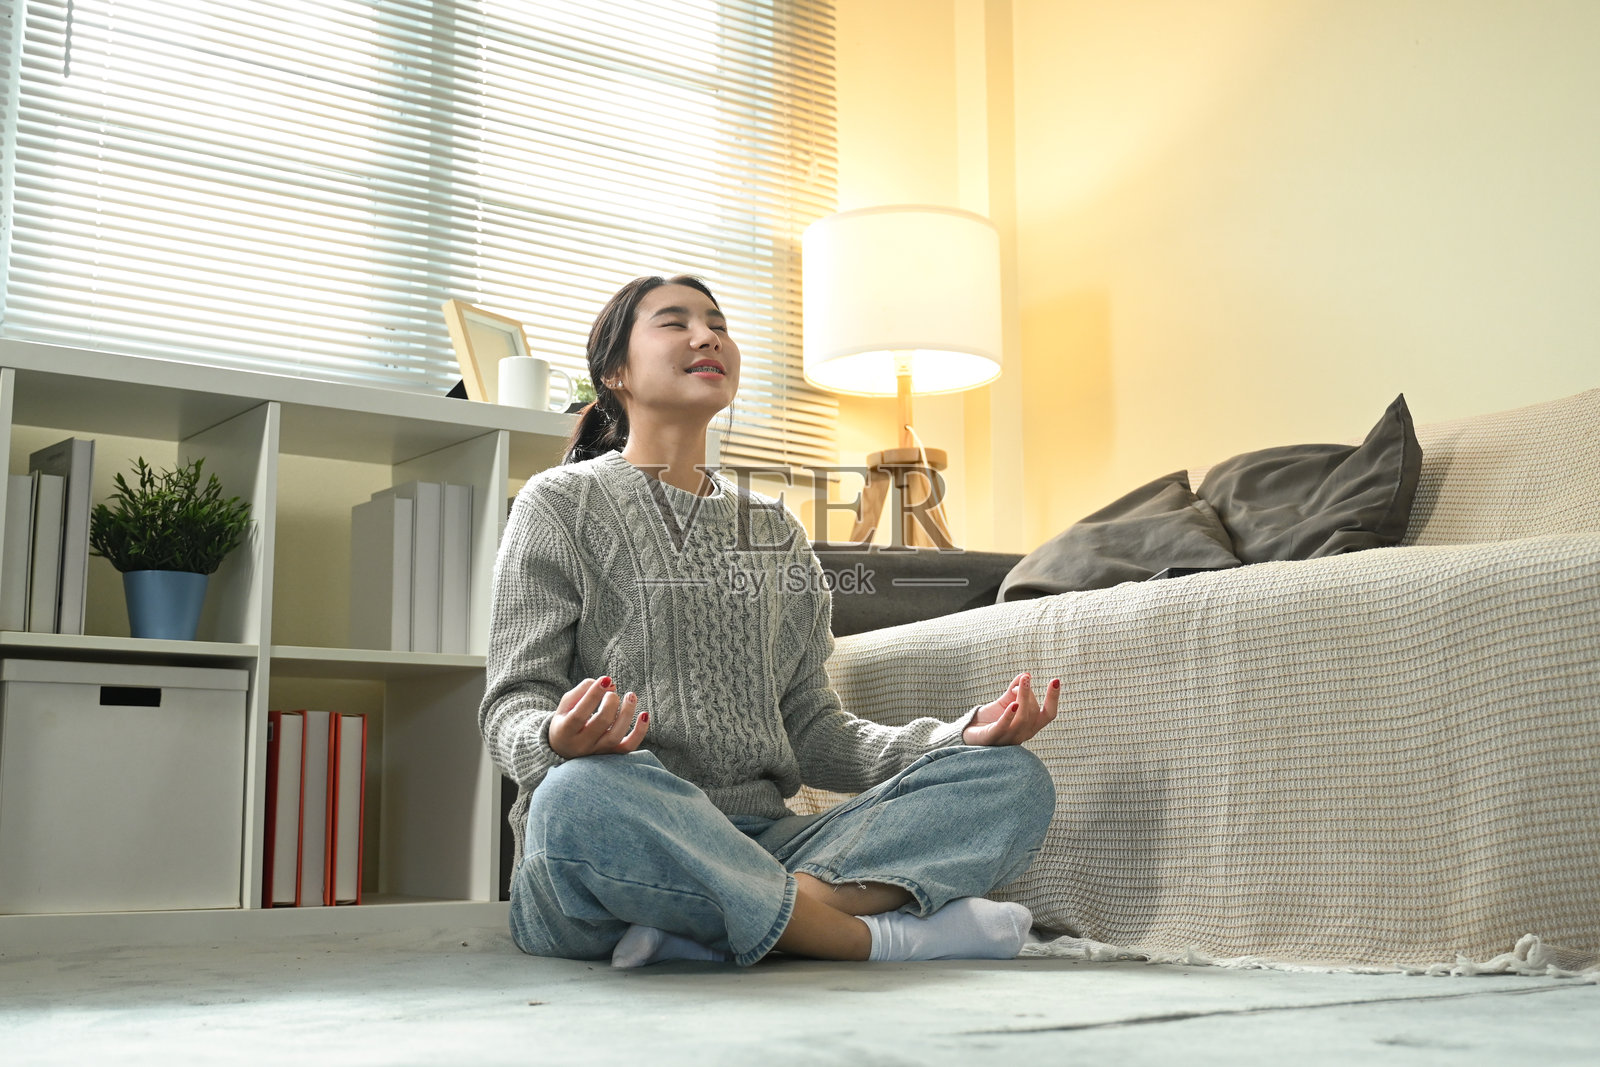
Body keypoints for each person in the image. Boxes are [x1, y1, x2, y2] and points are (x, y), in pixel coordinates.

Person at [480, 273, 1059, 968]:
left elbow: (815, 727)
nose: (707, 335)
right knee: (578, 794)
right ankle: (861, 937)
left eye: (717, 322)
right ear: (615, 371)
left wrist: (957, 736)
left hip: (766, 839)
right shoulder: (558, 504)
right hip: (619, 828)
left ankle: (706, 920)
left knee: (1009, 779)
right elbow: (512, 702)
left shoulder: (775, 529)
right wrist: (555, 735)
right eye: (674, 321)